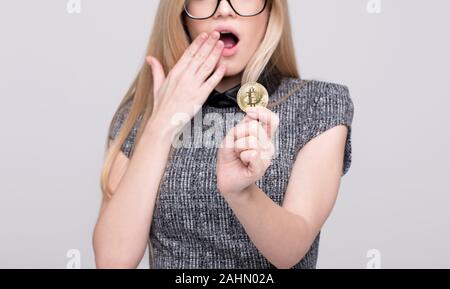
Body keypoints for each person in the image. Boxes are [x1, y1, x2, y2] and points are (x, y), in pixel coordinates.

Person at [93, 0, 354, 269]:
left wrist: (241, 194)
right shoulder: (140, 115)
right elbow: (113, 261)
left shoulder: (317, 105)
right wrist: (160, 125)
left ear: (270, 11)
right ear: (182, 15)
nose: (224, 9)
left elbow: (291, 251)